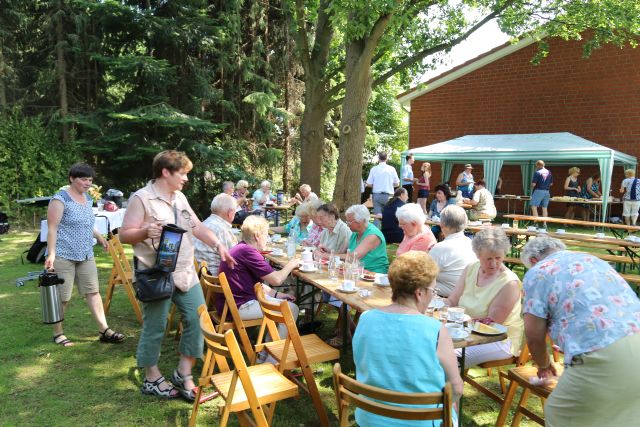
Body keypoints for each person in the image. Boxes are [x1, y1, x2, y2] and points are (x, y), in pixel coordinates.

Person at [120, 150, 234, 400]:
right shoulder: (142, 199)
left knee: (199, 320)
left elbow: (196, 226)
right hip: (155, 273)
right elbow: (124, 234)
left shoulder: (180, 198)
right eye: (182, 173)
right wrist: (144, 232)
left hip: (184, 271)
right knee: (156, 326)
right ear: (165, 172)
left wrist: (218, 245)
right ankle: (151, 377)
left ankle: (183, 372)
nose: (186, 179)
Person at [520, 237, 640, 426]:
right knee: (625, 416)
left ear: (533, 261)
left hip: (602, 352)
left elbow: (533, 335)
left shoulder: (538, 272)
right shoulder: (591, 259)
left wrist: (544, 365)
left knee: (561, 414)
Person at [352, 251, 463, 426]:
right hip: (422, 422)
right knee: (453, 407)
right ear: (419, 293)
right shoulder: (436, 330)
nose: (433, 295)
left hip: (370, 418)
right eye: (433, 290)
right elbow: (456, 388)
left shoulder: (365, 318)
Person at [43, 163, 125, 348]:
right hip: (64, 254)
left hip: (86, 253)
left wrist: (99, 237)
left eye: (90, 180)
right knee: (63, 297)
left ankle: (104, 330)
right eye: (83, 179)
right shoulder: (60, 199)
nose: (87, 183)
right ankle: (58, 334)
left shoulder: (87, 198)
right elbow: (53, 228)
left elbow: (87, 223)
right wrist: (52, 254)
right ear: (72, 179)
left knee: (93, 292)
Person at [446, 227, 523, 366]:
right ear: (477, 255)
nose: (493, 264)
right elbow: (452, 300)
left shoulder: (509, 283)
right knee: (430, 343)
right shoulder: (471, 268)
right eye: (488, 259)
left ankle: (450, 386)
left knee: (449, 356)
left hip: (499, 340)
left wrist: (459, 324)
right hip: (466, 331)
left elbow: (491, 323)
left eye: (498, 258)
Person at [218, 215, 299, 339]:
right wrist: (292, 264)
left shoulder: (241, 248)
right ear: (257, 236)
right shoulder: (248, 252)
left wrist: (277, 295)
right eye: (266, 235)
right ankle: (272, 356)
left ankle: (267, 350)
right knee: (291, 309)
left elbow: (255, 284)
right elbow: (277, 280)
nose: (267, 239)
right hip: (239, 306)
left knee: (284, 305)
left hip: (230, 304)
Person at [428, 205, 477, 297]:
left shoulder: (440, 248)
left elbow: (423, 277)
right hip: (471, 297)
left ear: (442, 225)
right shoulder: (472, 244)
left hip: (446, 299)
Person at [193, 193, 238, 274]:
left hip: (200, 276)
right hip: (217, 279)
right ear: (230, 213)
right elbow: (236, 258)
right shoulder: (222, 229)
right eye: (235, 212)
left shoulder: (204, 224)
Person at [343, 204, 389, 273]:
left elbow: (353, 257)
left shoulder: (373, 235)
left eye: (349, 222)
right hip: (357, 271)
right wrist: (328, 251)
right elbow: (346, 254)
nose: (347, 224)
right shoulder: (355, 233)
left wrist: (326, 255)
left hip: (374, 274)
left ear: (360, 222)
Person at [366, 152, 400, 227]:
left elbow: (368, 184)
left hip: (377, 195)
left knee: (377, 218)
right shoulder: (392, 169)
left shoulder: (374, 169)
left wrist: (377, 186)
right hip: (389, 196)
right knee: (389, 216)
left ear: (378, 158)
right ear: (386, 158)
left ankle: (376, 236)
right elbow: (397, 183)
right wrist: (389, 185)